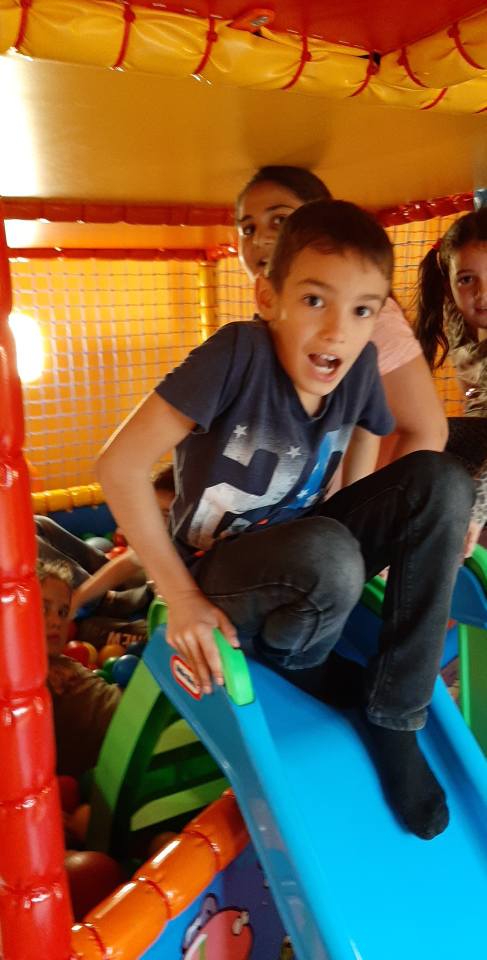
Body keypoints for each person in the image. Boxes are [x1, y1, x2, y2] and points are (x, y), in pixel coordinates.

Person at [98, 199, 473, 841]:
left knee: (443, 481)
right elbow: (119, 465)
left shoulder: (356, 369)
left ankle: (394, 713)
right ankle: (303, 665)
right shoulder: (236, 356)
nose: (336, 332)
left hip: (307, 557)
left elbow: (367, 455)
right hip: (221, 574)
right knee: (330, 554)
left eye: (361, 310)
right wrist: (180, 599)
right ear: (269, 297)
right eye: (315, 300)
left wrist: (403, 534)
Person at [236, 165, 448, 480]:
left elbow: (427, 430)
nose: (260, 239)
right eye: (247, 228)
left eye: (280, 220)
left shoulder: (369, 319)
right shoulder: (265, 326)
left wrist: (374, 505)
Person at [35, 465, 175, 640]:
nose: (155, 521)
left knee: (87, 629)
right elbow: (127, 563)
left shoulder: (193, 556)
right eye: (152, 510)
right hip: (138, 592)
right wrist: (78, 598)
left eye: (166, 515)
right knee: (38, 524)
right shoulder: (158, 538)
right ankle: (98, 600)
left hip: (157, 622)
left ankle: (96, 603)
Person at [416, 207, 487, 549]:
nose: (482, 293)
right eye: (467, 279)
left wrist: (476, 508)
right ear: (449, 285)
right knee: (430, 438)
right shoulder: (458, 321)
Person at [38, 558, 121, 777]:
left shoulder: (60, 662)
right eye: (43, 608)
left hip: (134, 725)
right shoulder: (28, 678)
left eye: (63, 612)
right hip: (127, 748)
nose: (56, 621)